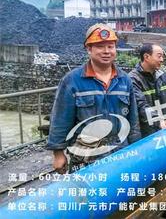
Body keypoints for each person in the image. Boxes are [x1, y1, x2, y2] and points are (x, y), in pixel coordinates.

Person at [46, 23, 141, 173]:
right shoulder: (72, 81)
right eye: (100, 46)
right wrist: (58, 153)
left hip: (120, 151)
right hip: (86, 155)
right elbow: (60, 119)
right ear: (89, 49)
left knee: (119, 192)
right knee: (87, 194)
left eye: (110, 46)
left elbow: (133, 119)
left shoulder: (124, 80)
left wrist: (136, 148)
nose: (106, 51)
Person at [129, 43, 166, 137]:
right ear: (146, 57)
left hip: (164, 127)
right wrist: (159, 121)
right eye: (159, 56)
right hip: (145, 133)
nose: (162, 60)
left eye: (162, 56)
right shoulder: (133, 79)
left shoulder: (162, 75)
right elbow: (141, 105)